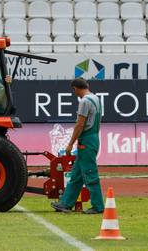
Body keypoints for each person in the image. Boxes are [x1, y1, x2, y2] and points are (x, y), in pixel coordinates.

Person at [51, 77, 105, 214]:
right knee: (76, 175)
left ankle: (98, 206)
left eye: (73, 90)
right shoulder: (95, 98)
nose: (74, 93)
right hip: (92, 138)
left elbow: (80, 124)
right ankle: (66, 203)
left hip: (86, 140)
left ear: (76, 88)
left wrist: (70, 145)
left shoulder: (84, 102)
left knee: (90, 173)